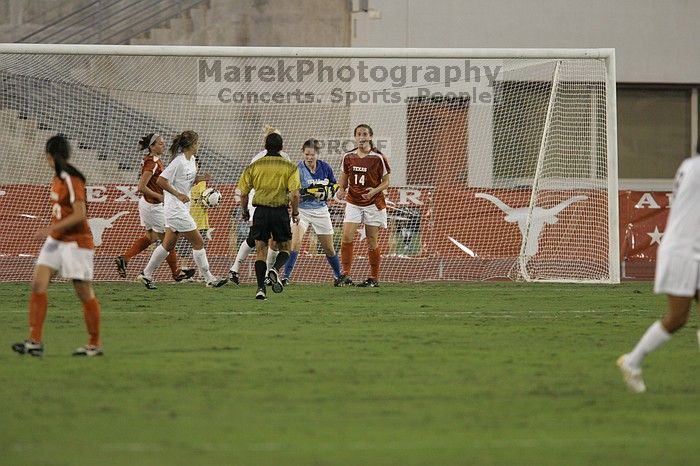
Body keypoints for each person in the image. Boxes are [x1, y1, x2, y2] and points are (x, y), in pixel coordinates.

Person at [617, 147, 700, 393]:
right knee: (677, 318)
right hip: (683, 252)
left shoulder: (689, 165)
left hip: (691, 249)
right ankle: (632, 362)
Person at [12, 135, 103, 357]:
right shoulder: (57, 179)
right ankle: (34, 341)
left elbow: (81, 214)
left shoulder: (71, 179)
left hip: (77, 243)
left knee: (83, 292)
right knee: (37, 284)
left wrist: (50, 228)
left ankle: (94, 344)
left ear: (49, 156)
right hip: (56, 242)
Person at [137, 130, 227, 289]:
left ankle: (146, 273)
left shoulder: (192, 160)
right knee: (198, 242)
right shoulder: (177, 162)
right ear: (191, 145)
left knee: (167, 245)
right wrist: (177, 194)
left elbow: (188, 181)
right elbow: (161, 181)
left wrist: (201, 179)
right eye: (197, 143)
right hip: (175, 209)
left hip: (182, 207)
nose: (198, 146)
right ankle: (209, 278)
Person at [115, 133, 194, 282]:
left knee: (151, 237)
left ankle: (124, 259)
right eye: (160, 143)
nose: (163, 145)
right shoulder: (152, 163)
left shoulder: (151, 160)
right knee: (168, 241)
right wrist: (160, 196)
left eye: (163, 143)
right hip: (154, 206)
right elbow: (141, 187)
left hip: (147, 204)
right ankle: (176, 273)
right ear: (152, 146)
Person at [238, 131, 301, 299]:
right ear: (282, 148)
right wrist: (295, 212)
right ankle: (274, 269)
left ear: (265, 147)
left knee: (260, 250)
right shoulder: (290, 167)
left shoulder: (254, 166)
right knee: (286, 247)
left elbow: (243, 194)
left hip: (261, 212)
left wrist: (245, 211)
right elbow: (295, 194)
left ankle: (260, 289)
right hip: (280, 212)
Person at [228, 126, 290, 284]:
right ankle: (237, 269)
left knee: (272, 241)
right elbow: (249, 185)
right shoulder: (259, 159)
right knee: (257, 239)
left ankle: (266, 274)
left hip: (272, 203)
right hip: (259, 203)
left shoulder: (285, 158)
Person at [336, 124, 391, 287]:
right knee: (346, 237)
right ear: (355, 137)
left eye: (364, 134)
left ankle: (374, 278)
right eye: (359, 134)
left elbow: (387, 182)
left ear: (370, 136)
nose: (361, 137)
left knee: (371, 241)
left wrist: (374, 191)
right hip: (353, 201)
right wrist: (341, 189)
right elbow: (344, 175)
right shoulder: (348, 157)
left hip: (373, 203)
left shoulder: (378, 157)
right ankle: (346, 275)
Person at [283, 138, 342, 285]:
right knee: (295, 243)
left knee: (329, 248)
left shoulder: (325, 167)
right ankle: (285, 277)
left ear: (318, 154)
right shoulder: (297, 169)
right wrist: (308, 192)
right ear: (303, 153)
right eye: (307, 154)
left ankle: (338, 275)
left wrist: (327, 193)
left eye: (313, 154)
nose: (310, 157)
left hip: (321, 211)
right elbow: (290, 192)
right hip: (302, 211)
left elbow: (334, 186)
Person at [175, 155, 211, 278]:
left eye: (196, 165)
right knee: (184, 250)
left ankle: (203, 274)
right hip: (186, 221)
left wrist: (211, 202)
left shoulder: (203, 183)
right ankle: (184, 272)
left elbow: (207, 199)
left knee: (200, 247)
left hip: (201, 221)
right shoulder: (181, 182)